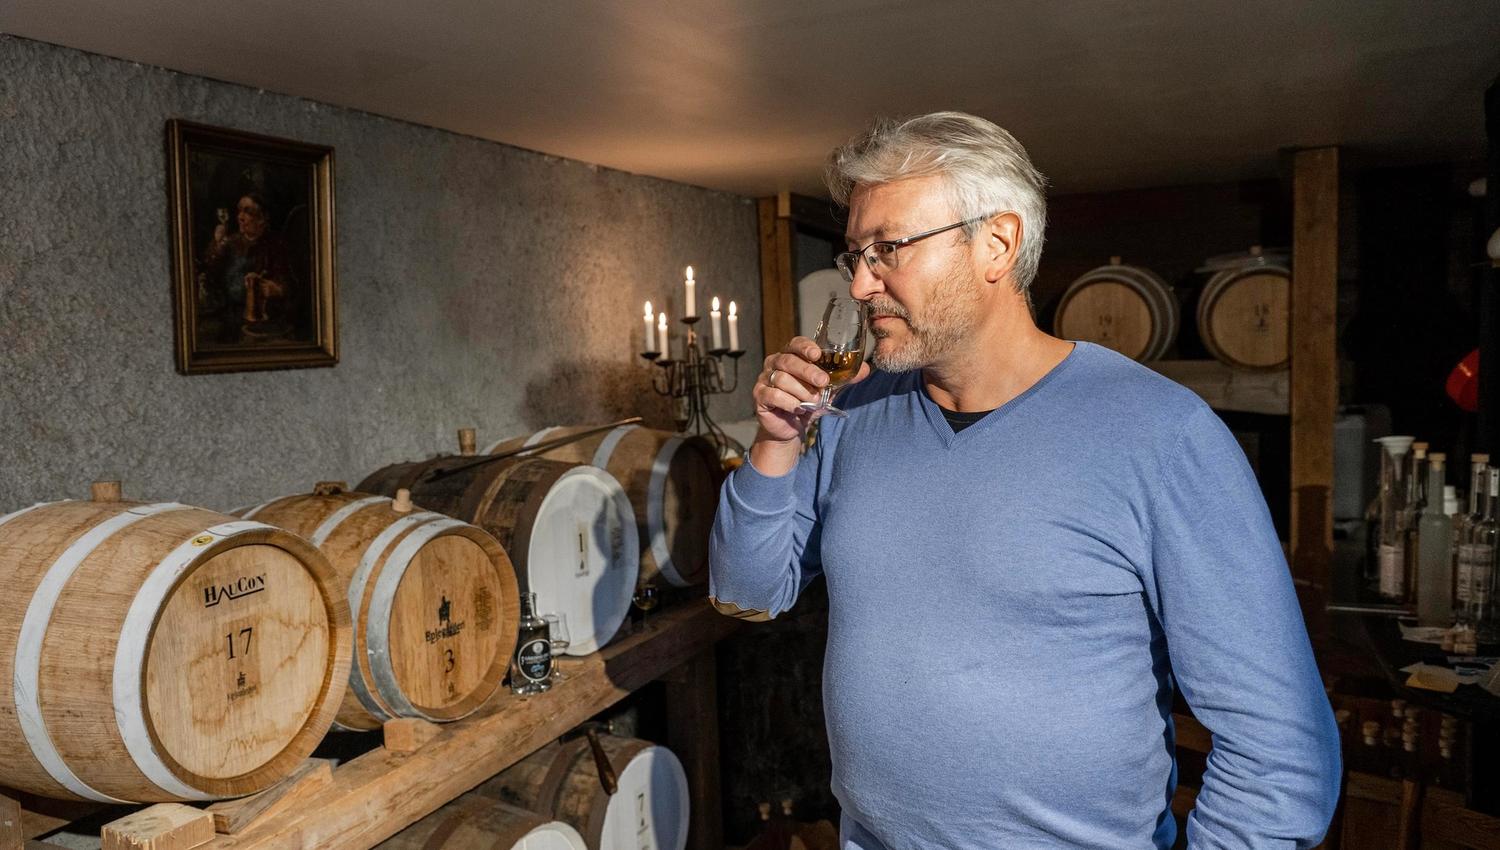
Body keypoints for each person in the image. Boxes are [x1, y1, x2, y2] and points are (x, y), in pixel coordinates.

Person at [709, 112, 1340, 849]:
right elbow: (746, 594)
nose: (859, 282)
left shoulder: (1160, 434)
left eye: (889, 249)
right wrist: (777, 444)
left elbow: (1279, 749)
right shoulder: (851, 414)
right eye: (856, 253)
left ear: (997, 244)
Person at [198, 192, 294, 340]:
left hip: (258, 318)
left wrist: (278, 289)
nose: (240, 217)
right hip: (226, 311)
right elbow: (210, 270)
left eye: (248, 212)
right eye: (239, 211)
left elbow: (290, 284)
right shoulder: (231, 241)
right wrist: (216, 244)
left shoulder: (275, 245)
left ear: (262, 218)